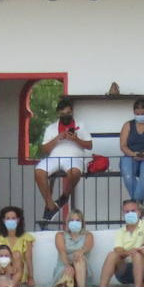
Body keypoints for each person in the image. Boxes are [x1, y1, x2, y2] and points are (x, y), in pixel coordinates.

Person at [35, 97, 94, 226]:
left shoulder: (80, 125)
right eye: (63, 114)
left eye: (68, 113)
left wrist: (76, 139)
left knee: (74, 172)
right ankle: (51, 205)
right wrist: (57, 138)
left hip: (75, 156)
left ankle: (64, 197)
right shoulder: (51, 128)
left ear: (72, 112)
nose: (66, 116)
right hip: (54, 157)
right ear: (58, 114)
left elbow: (89, 145)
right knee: (39, 172)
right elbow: (45, 149)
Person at [96, 200, 144, 287]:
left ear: (139, 212)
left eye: (133, 210)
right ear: (123, 214)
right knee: (112, 254)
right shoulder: (120, 232)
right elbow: (118, 250)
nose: (130, 213)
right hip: (124, 269)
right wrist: (129, 252)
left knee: (138, 255)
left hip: (143, 267)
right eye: (127, 212)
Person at [53, 209, 93, 287]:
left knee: (79, 259)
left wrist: (80, 252)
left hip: (82, 268)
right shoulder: (60, 235)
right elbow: (62, 251)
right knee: (69, 271)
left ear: (82, 222)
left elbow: (87, 246)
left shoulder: (88, 235)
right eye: (72, 220)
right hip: (64, 265)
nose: (74, 222)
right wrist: (68, 265)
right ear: (67, 222)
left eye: (77, 220)